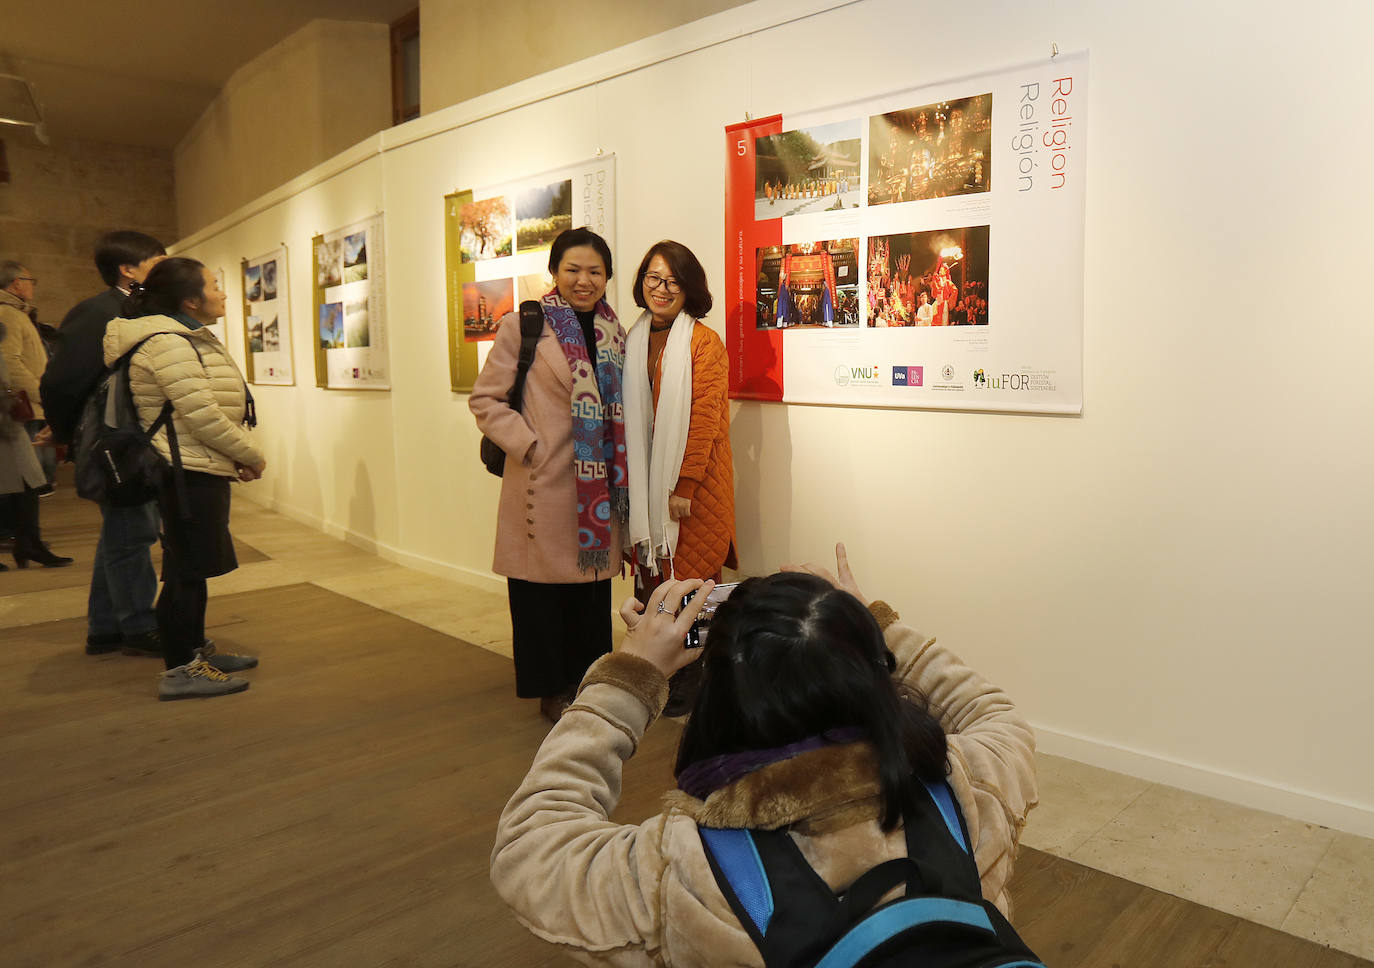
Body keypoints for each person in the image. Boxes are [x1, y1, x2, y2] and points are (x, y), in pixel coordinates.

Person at [491, 544, 1037, 966]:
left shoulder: (681, 867)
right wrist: (874, 624)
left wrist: (634, 675)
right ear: (868, 668)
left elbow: (532, 847)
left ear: (722, 696)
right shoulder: (971, 788)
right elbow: (992, 713)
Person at [470, 228, 629, 723]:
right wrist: (529, 445)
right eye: (573, 270)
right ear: (555, 273)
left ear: (607, 277)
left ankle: (589, 681)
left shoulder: (614, 331)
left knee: (589, 592)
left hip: (595, 487)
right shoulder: (525, 325)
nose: (584, 281)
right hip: (542, 479)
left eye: (595, 271)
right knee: (539, 595)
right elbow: (486, 400)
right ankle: (549, 688)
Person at [105, 257, 264, 700]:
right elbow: (202, 415)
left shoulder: (179, 336)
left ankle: (194, 651)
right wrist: (249, 454)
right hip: (184, 469)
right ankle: (181, 670)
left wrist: (232, 457)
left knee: (190, 567)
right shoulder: (168, 343)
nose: (224, 292)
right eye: (215, 285)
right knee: (186, 571)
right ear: (190, 298)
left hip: (195, 464)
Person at [41, 231, 167, 657]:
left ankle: (105, 626)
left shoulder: (132, 308)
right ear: (127, 270)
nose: (165, 267)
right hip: (116, 441)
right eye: (157, 260)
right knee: (132, 531)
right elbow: (61, 380)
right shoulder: (98, 312)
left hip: (129, 438)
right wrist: (66, 434)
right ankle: (137, 625)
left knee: (123, 531)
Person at [624, 241, 737, 714]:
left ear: (689, 288)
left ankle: (693, 680)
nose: (662, 288)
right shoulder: (634, 337)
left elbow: (706, 416)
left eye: (672, 280)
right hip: (647, 480)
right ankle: (658, 671)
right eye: (653, 278)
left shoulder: (703, 341)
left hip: (695, 483)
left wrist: (684, 485)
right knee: (655, 581)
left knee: (690, 583)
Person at [0, 315, 72, 569]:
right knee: (13, 483)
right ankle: (27, 544)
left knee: (26, 481)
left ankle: (29, 544)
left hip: (6, 417)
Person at [0, 261, 57, 493]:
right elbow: (8, 362)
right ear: (16, 284)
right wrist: (40, 392)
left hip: (32, 401)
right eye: (30, 281)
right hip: (27, 403)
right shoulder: (7, 314)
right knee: (32, 478)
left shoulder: (17, 313)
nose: (33, 286)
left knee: (39, 476)